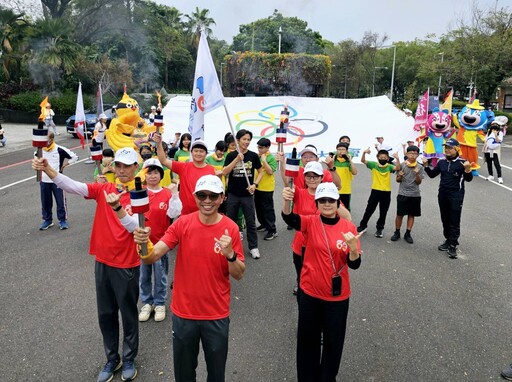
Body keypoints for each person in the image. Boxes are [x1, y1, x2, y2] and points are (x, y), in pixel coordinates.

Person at [32, 147, 143, 381]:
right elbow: (73, 186)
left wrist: (118, 208)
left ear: (136, 167)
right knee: (106, 314)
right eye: (119, 166)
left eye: (127, 166)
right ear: (114, 167)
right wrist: (49, 170)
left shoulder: (141, 195)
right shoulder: (105, 188)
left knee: (129, 314)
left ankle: (130, 357)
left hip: (127, 263)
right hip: (103, 261)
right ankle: (112, 359)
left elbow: (136, 228)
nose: (122, 170)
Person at [132, 175, 245, 382]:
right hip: (184, 313)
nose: (207, 200)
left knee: (216, 374)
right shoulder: (183, 223)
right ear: (195, 197)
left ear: (222, 198)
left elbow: (238, 273)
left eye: (213, 196)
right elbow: (151, 256)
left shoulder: (231, 229)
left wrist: (230, 254)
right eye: (202, 195)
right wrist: (143, 244)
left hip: (216, 314)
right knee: (184, 374)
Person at [281, 182, 362, 382]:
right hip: (309, 293)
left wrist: (352, 249)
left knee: (333, 343)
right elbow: (289, 218)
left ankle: (327, 377)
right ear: (317, 203)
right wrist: (286, 200)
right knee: (308, 341)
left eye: (331, 200)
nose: (327, 204)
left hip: (337, 297)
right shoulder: (310, 222)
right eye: (322, 200)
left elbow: (355, 264)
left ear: (338, 203)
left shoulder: (349, 227)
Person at [138, 158, 182, 323]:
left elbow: (175, 213)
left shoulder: (166, 193)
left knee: (161, 274)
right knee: (144, 275)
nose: (153, 176)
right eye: (149, 173)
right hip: (142, 243)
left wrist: (175, 193)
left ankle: (160, 303)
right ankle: (147, 302)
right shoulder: (138, 192)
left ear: (161, 175)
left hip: (161, 243)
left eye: (156, 172)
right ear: (144, 175)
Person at [424, 138, 473, 259]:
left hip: (456, 195)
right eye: (446, 148)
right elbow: (432, 175)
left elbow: (468, 179)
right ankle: (448, 240)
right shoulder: (441, 162)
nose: (447, 150)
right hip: (443, 194)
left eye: (450, 148)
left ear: (457, 149)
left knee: (454, 219)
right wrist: (426, 166)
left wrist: (467, 169)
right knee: (444, 218)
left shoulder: (463, 162)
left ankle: (453, 244)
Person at [223, 129, 264, 259]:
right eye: (244, 139)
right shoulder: (231, 155)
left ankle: (253, 247)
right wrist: (236, 159)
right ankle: (230, 247)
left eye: (248, 139)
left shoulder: (253, 156)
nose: (246, 142)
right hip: (233, 194)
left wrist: (255, 185)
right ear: (238, 140)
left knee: (251, 222)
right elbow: (225, 172)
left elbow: (261, 172)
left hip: (248, 195)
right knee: (231, 222)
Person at [155, 135, 215, 215]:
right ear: (191, 152)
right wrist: (159, 144)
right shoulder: (183, 167)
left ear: (206, 153)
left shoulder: (211, 170)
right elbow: (163, 160)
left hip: (204, 213)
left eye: (201, 151)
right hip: (185, 213)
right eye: (196, 151)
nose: (198, 153)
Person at [37, 132, 78, 230]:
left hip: (57, 180)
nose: (44, 142)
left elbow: (75, 157)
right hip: (44, 181)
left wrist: (65, 165)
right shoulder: (39, 150)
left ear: (51, 139)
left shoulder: (59, 149)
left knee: (60, 202)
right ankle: (47, 220)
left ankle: (62, 220)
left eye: (46, 140)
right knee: (45, 202)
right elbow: (36, 160)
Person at [357, 148, 400, 237]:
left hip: (386, 192)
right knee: (369, 209)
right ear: (378, 157)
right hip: (375, 191)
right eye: (381, 157)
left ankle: (380, 229)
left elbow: (397, 168)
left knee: (383, 211)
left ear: (388, 159)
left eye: (385, 158)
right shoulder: (374, 165)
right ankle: (363, 225)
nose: (383, 159)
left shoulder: (389, 166)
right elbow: (363, 160)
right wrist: (364, 152)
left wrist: (397, 158)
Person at [390, 145, 425, 244]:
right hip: (402, 193)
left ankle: (408, 233)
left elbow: (418, 182)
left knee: (411, 214)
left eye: (415, 153)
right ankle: (397, 232)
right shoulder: (402, 165)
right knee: (399, 214)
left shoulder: (420, 167)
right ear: (406, 154)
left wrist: (417, 174)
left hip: (415, 194)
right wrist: (400, 176)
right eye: (410, 153)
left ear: (418, 155)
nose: (412, 155)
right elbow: (397, 180)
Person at [254, 137, 278, 241]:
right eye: (258, 147)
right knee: (258, 207)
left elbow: (270, 171)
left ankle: (272, 230)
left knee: (267, 209)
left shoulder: (270, 158)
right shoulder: (257, 156)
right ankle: (263, 224)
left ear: (267, 147)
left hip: (267, 188)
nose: (259, 149)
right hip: (257, 186)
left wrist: (264, 161)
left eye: (261, 148)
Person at [333, 142, 357, 211]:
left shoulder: (348, 162)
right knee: (334, 209)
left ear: (346, 151)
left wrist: (349, 160)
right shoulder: (333, 160)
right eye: (339, 149)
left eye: (343, 149)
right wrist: (333, 159)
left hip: (345, 190)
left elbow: (355, 172)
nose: (340, 151)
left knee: (345, 209)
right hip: (334, 190)